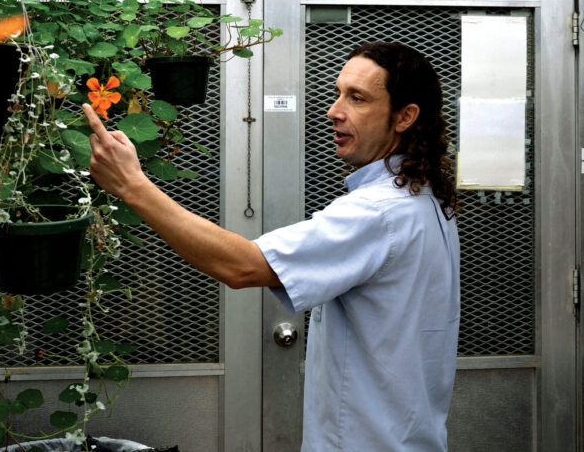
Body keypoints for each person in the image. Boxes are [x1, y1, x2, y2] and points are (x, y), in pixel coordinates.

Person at [83, 41, 460, 452]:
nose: (335, 110)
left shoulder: (380, 212)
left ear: (405, 116)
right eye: (338, 93)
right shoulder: (426, 199)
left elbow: (242, 266)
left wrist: (133, 187)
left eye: (358, 98)